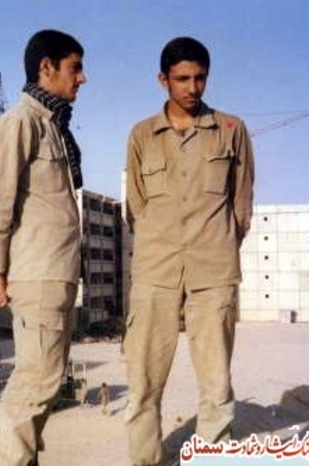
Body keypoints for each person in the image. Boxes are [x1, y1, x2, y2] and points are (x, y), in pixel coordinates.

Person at [124, 36, 254, 465]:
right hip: (155, 270)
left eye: (200, 78)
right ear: (163, 80)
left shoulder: (232, 130)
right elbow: (135, 207)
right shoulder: (142, 135)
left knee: (216, 383)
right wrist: (160, 240)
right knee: (143, 383)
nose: (193, 88)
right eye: (182, 79)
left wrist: (218, 243)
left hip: (213, 269)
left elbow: (241, 205)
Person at [0, 29, 86, 466]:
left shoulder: (52, 126)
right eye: (75, 68)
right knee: (35, 385)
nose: (82, 78)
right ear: (46, 68)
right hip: (39, 275)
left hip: (57, 273)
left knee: (45, 382)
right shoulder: (21, 122)